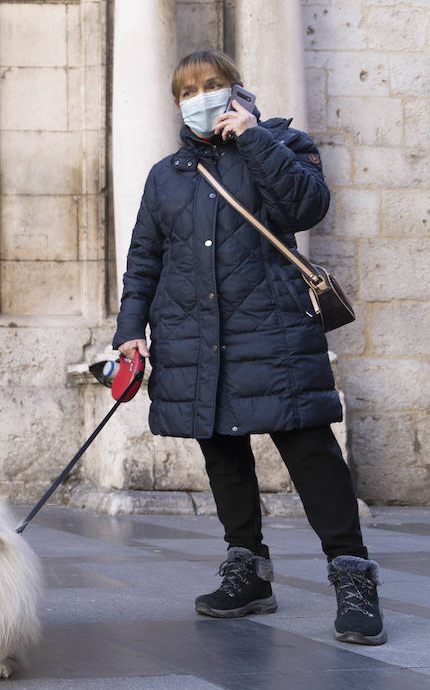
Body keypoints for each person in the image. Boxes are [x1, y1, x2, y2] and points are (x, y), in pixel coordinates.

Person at [113, 50, 385, 646]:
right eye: (188, 90)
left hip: (274, 329)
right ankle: (247, 571)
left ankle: (353, 577)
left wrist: (255, 139)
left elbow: (306, 206)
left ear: (236, 89)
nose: (200, 96)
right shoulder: (168, 175)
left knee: (310, 449)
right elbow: (145, 258)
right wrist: (130, 329)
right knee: (223, 454)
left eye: (212, 85)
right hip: (195, 334)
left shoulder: (285, 143)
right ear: (177, 103)